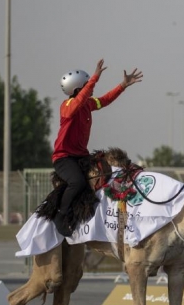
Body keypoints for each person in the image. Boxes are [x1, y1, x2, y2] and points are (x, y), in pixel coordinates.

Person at [52, 59, 143, 236]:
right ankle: (60, 216)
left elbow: (105, 100)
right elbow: (75, 106)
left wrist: (122, 85)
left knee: (106, 172)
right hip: (64, 158)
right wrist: (94, 78)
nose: (90, 89)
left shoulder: (88, 104)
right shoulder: (67, 106)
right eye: (86, 86)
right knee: (77, 182)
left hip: (81, 156)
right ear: (78, 90)